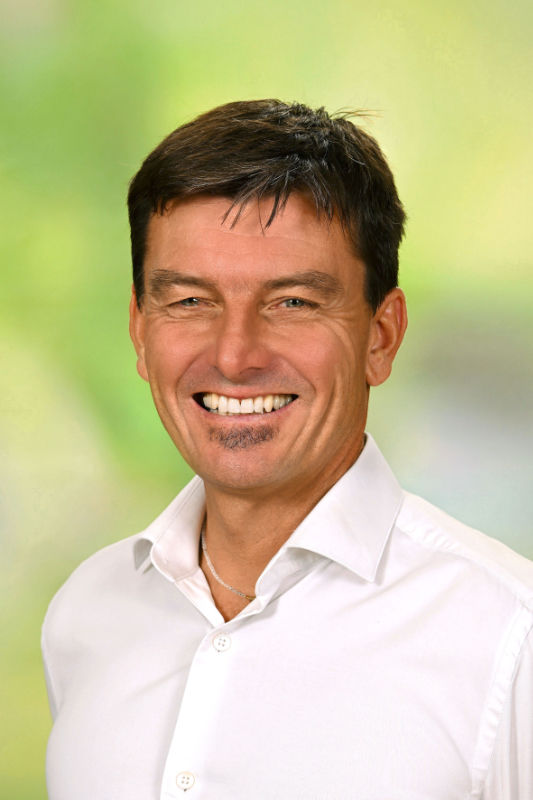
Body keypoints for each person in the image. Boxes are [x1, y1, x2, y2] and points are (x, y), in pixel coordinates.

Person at [42, 100, 533, 800]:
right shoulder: (88, 613)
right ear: (140, 330)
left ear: (381, 335)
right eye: (190, 301)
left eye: (292, 302)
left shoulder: (510, 641)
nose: (234, 355)